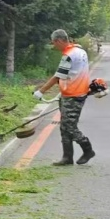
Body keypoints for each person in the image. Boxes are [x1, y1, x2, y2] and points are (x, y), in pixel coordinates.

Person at [34, 28, 94, 166]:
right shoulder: (80, 51)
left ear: (59, 40)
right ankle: (67, 157)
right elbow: (74, 73)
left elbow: (57, 76)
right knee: (64, 126)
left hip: (73, 95)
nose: (54, 46)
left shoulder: (69, 55)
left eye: (54, 43)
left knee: (70, 127)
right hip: (75, 93)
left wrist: (41, 91)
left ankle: (87, 149)